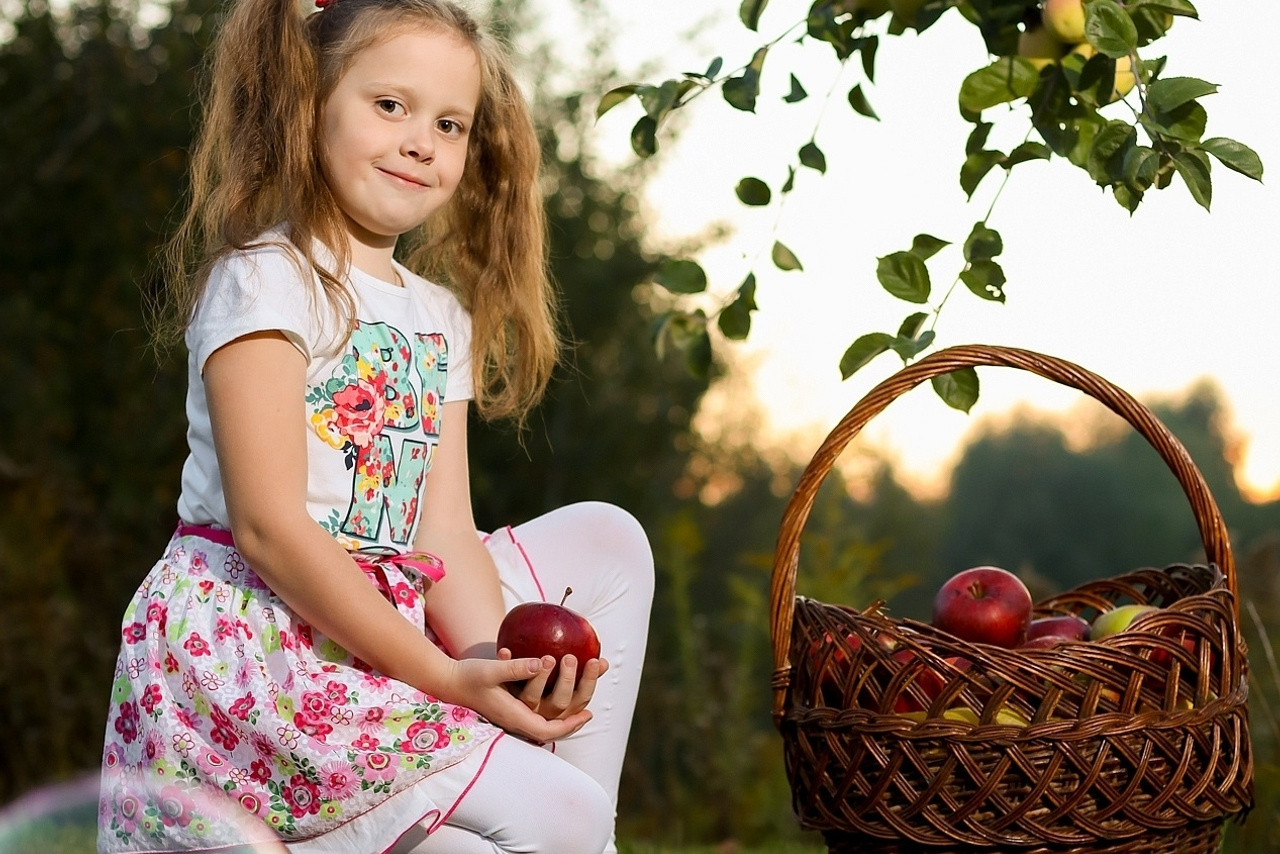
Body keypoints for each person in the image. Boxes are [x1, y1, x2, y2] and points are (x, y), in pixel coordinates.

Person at [95, 0, 654, 851]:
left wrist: (489, 668)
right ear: (309, 102)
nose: (422, 141)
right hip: (263, 658)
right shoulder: (267, 280)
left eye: (450, 123)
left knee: (609, 541)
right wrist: (443, 675)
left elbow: (443, 530)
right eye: (389, 106)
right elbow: (269, 528)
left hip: (384, 631)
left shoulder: (438, 316)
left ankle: (533, 799)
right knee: (566, 818)